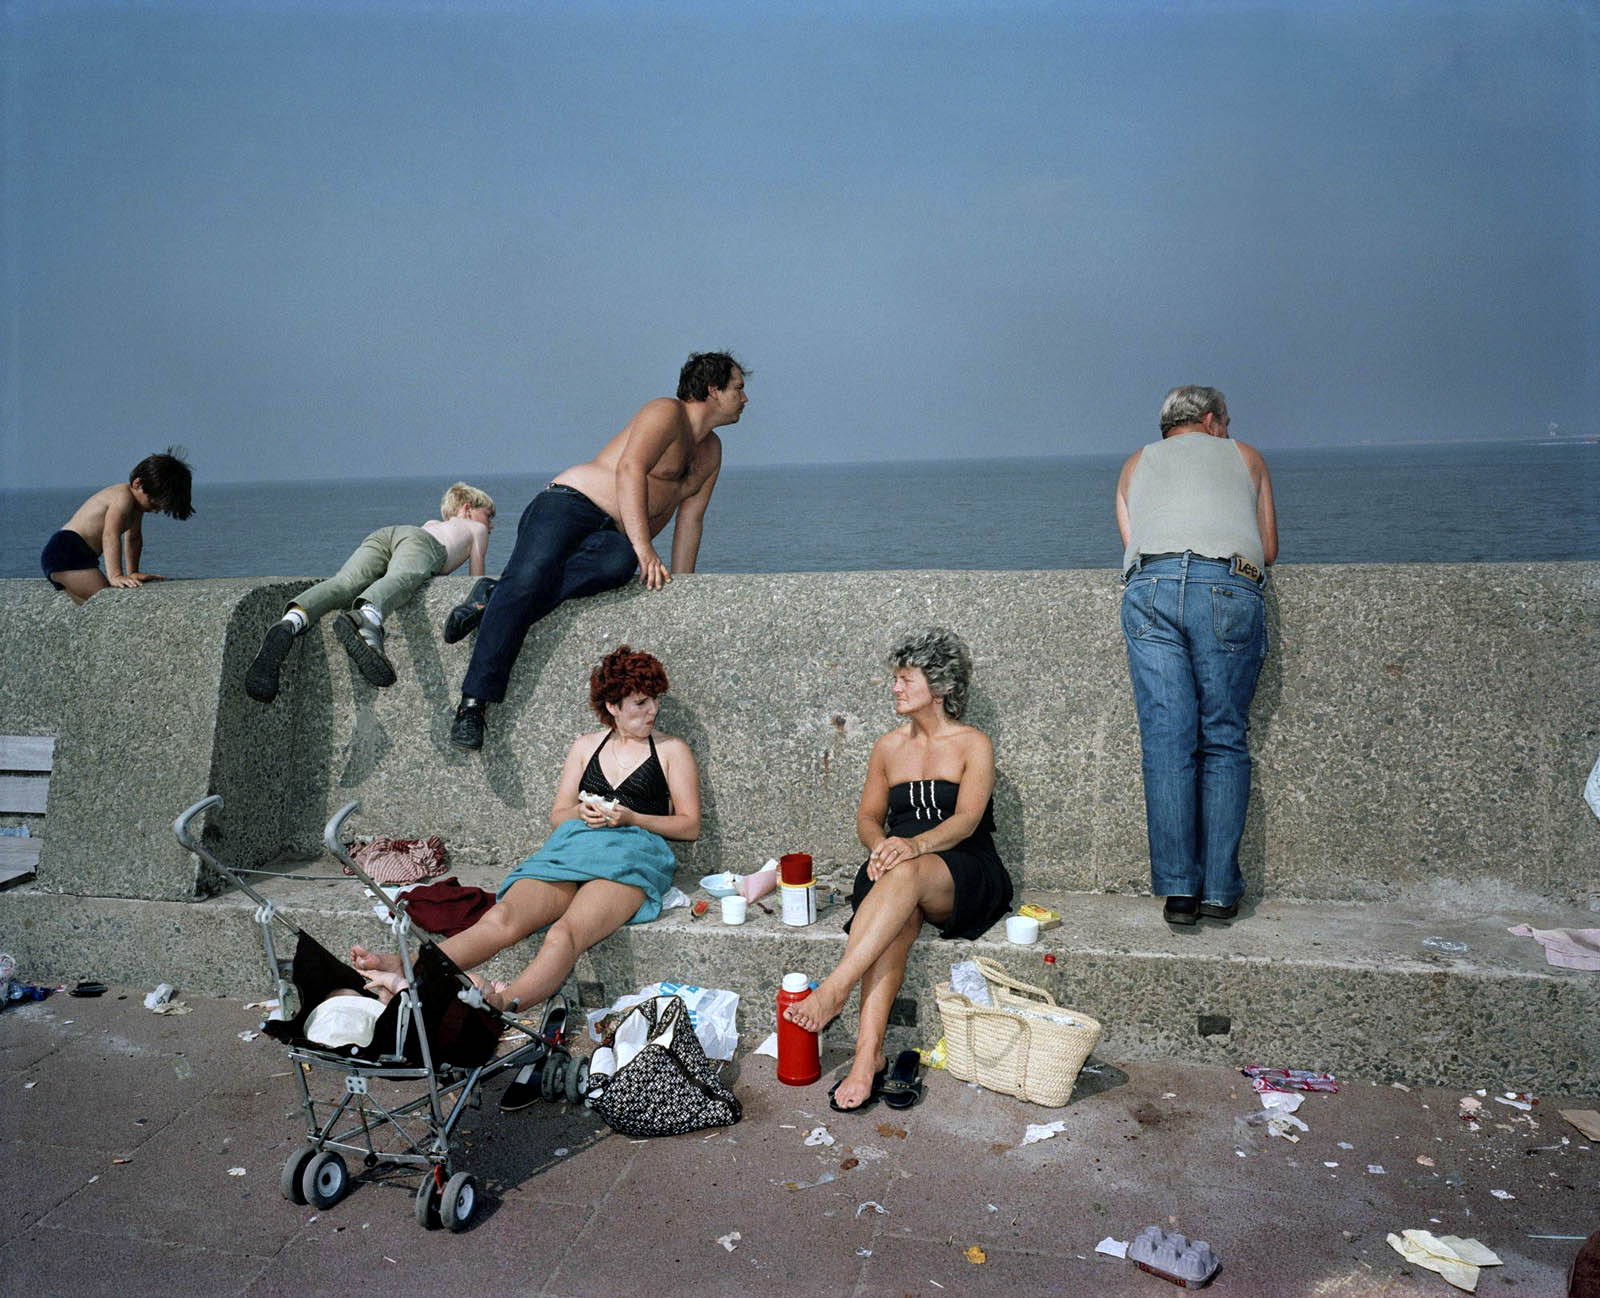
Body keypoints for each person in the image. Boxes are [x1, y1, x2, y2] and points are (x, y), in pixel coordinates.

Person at [352, 643, 699, 1027]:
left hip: (632, 857)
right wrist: (580, 813)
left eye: (654, 701)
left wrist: (633, 817)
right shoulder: (586, 747)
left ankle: (501, 1004)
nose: (652, 711)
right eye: (640, 704)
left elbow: (689, 825)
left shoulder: (670, 750)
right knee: (501, 919)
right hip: (573, 847)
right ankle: (407, 965)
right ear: (613, 707)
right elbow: (559, 815)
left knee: (565, 934)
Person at [446, 351, 748, 750]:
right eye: (739, 388)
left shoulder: (712, 452)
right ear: (713, 390)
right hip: (569, 503)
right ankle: (472, 705)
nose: (745, 398)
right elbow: (630, 469)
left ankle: (490, 597)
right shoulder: (666, 412)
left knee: (617, 563)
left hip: (613, 536)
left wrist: (684, 587)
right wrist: (645, 547)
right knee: (530, 577)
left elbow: (691, 519)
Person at [783, 628, 1013, 1112]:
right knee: (896, 919)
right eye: (896, 680)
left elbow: (968, 818)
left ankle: (835, 988)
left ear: (941, 686)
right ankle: (868, 1059)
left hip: (962, 866)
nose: (896, 688)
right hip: (895, 861)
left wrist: (913, 846)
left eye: (906, 679)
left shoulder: (974, 744)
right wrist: (883, 843)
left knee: (904, 876)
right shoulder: (887, 747)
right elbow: (868, 818)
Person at [1114, 385, 1278, 926]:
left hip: (1151, 588)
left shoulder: (1135, 464)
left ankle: (1179, 892)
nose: (1227, 430)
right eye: (1226, 421)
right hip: (1224, 587)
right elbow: (1268, 548)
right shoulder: (1245, 456)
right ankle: (1219, 892)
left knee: (1167, 740)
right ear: (1211, 421)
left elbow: (1132, 540)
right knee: (1224, 738)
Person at [244, 482, 495, 703]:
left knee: (343, 584)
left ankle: (291, 622)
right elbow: (476, 583)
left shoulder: (433, 523)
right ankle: (368, 619)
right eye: (488, 515)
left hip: (387, 534)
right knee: (402, 579)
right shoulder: (476, 529)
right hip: (422, 544)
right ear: (467, 508)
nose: (491, 525)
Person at [41, 450, 194, 604]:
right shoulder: (123, 497)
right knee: (106, 600)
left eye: (160, 508)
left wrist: (133, 572)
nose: (155, 511)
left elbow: (133, 539)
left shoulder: (137, 507)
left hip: (84, 556)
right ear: (138, 484)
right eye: (153, 503)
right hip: (65, 551)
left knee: (95, 604)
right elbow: (110, 534)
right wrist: (116, 575)